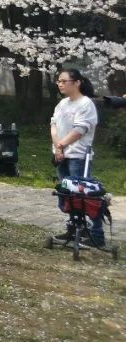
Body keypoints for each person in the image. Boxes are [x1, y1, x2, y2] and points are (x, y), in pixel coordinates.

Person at [51, 68, 103, 248]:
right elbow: (53, 125)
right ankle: (73, 228)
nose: (60, 84)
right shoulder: (62, 104)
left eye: (64, 81)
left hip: (78, 156)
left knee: (84, 196)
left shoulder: (85, 104)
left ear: (77, 82)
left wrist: (61, 145)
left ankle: (96, 234)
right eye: (58, 81)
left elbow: (79, 131)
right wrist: (58, 146)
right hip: (61, 155)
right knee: (65, 196)